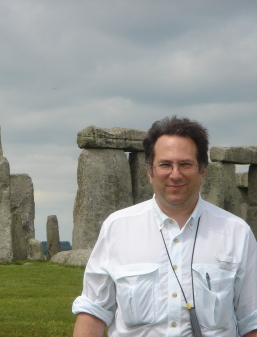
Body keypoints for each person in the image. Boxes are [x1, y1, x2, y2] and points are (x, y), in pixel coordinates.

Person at [72, 116, 257, 337]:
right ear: (149, 171)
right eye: (165, 164)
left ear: (202, 170)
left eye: (185, 164)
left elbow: (251, 321)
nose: (175, 174)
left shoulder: (236, 233)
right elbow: (93, 312)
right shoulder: (117, 228)